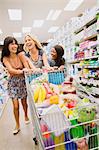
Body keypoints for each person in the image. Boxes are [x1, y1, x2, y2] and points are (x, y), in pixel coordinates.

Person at [1, 36, 33, 135]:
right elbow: (10, 70)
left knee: (24, 103)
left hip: (23, 82)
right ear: (7, 46)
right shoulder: (5, 58)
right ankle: (17, 124)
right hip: (13, 83)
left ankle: (26, 115)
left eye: (15, 43)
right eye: (11, 44)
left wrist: (22, 71)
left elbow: (27, 67)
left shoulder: (21, 55)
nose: (14, 46)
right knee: (15, 106)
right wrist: (22, 71)